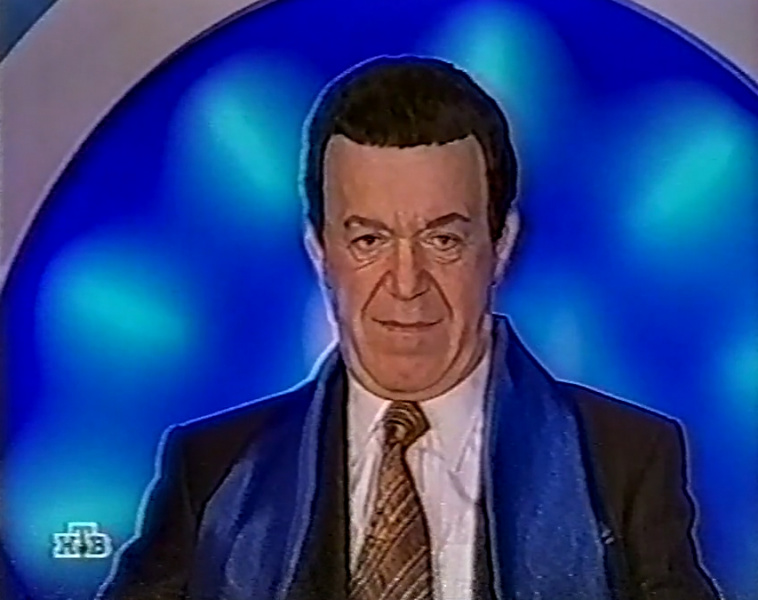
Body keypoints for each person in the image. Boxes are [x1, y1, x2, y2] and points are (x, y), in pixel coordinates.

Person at [97, 55, 720, 600]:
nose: (405, 282)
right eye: (369, 240)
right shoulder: (211, 472)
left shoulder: (624, 464)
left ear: (501, 247)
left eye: (443, 240)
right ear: (319, 251)